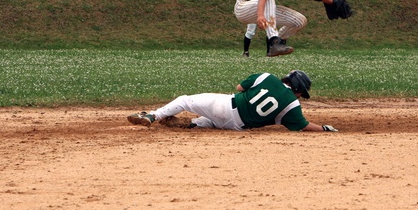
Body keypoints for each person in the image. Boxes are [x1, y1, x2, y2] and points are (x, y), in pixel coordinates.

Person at [127, 70, 339, 132]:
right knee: (209, 121)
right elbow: (302, 126)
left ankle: (153, 115)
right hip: (236, 126)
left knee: (186, 100)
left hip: (227, 105)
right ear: (298, 89)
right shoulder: (292, 106)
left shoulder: (267, 77)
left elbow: (239, 88)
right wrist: (324, 128)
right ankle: (192, 123)